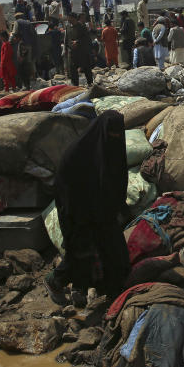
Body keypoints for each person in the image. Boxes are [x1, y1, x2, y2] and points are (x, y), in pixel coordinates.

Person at [45, 111, 130, 302]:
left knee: (114, 251)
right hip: (76, 210)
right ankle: (55, 281)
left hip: (102, 210)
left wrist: (118, 206)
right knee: (81, 252)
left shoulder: (112, 149)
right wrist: (82, 216)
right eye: (111, 134)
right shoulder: (78, 153)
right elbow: (67, 188)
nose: (115, 138)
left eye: (118, 134)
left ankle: (105, 290)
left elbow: (117, 180)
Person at [67, 15, 93, 86]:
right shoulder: (68, 27)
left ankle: (90, 84)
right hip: (73, 52)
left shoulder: (82, 27)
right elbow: (66, 38)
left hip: (82, 52)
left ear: (74, 18)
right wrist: (67, 48)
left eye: (70, 19)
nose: (68, 20)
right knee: (73, 70)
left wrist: (77, 42)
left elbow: (87, 39)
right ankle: (75, 85)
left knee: (86, 68)